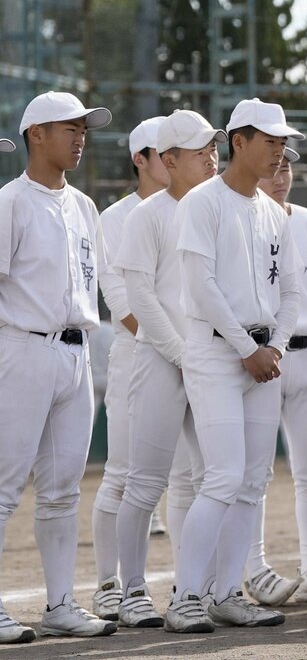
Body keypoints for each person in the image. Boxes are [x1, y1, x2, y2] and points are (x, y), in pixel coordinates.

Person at [166, 99, 303, 633]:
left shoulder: (273, 210)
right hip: (217, 353)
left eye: (280, 141)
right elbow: (201, 287)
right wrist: (248, 346)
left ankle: (226, 593)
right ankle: (185, 597)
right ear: (237, 141)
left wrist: (276, 347)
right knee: (222, 476)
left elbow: (293, 290)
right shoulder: (203, 203)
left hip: (264, 358)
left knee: (252, 481)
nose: (277, 150)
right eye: (267, 140)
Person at [0, 92, 116, 642]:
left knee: (63, 489)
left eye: (83, 128)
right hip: (21, 346)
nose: (80, 136)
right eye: (68, 127)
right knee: (3, 486)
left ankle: (61, 603)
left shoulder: (85, 205)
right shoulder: (11, 202)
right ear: (35, 134)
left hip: (76, 352)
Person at [114, 111, 223, 630]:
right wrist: (185, 355)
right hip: (161, 362)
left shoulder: (221, 209)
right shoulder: (147, 215)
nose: (212, 156)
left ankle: (202, 591)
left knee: (217, 479)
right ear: (169, 159)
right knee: (145, 483)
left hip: (209, 365)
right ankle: (132, 590)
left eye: (213, 148)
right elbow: (142, 299)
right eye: (200, 149)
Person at [247, 153, 307, 606]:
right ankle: (253, 567)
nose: (278, 176)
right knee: (255, 471)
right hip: (261, 356)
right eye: (271, 166)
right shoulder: (245, 222)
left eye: (284, 167)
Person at [91, 115, 167, 622]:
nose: (175, 159)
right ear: (140, 160)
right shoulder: (115, 217)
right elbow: (121, 302)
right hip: (137, 352)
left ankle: (195, 584)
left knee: (184, 477)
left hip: (185, 357)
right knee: (120, 474)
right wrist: (179, 345)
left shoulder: (193, 208)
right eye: (165, 153)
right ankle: (107, 585)